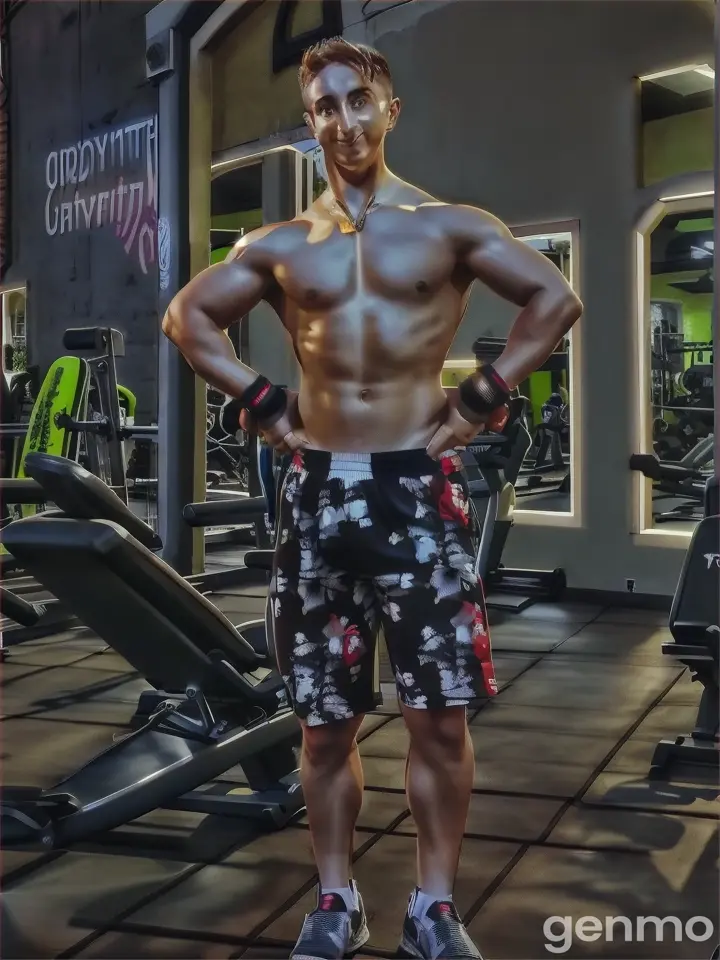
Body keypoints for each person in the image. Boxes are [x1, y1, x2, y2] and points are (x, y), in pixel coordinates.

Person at [162, 37, 582, 960]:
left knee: (439, 716)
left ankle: (433, 908)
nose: (342, 119)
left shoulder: (449, 225)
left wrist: (484, 394)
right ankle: (336, 897)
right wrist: (261, 399)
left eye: (358, 101)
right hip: (317, 500)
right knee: (323, 724)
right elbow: (187, 318)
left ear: (390, 110)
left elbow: (553, 299)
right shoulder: (278, 245)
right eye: (324, 106)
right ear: (309, 122)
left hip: (415, 493)